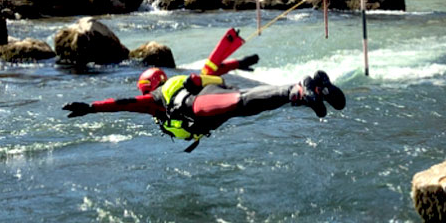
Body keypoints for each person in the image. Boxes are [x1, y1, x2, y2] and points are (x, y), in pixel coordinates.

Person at [63, 56, 345, 152]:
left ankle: (300, 89)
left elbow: (123, 103)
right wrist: (241, 63)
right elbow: (216, 68)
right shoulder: (175, 84)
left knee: (243, 102)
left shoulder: (157, 98)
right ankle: (310, 91)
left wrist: (91, 107)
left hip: (197, 106)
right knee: (245, 106)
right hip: (206, 113)